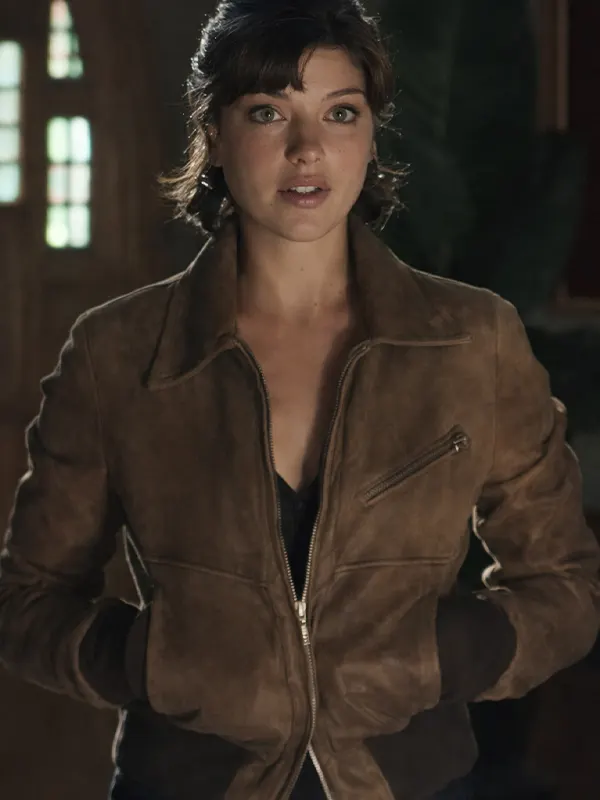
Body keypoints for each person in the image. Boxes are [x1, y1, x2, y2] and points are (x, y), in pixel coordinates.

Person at [0, 1, 598, 798]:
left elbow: (565, 588)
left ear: (371, 134)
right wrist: (150, 662)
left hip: (414, 782)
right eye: (268, 111)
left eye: (340, 112)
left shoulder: (471, 340)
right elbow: (28, 602)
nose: (308, 148)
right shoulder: (118, 352)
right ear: (214, 133)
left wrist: (440, 655)